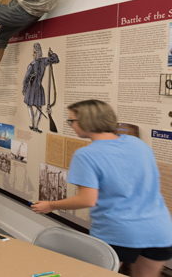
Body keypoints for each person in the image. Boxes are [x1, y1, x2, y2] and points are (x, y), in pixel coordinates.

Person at [32, 100, 172, 277]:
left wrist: (51, 205)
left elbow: (87, 199)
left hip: (119, 231)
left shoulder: (86, 155)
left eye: (72, 121)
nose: (71, 126)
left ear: (86, 121)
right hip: (158, 229)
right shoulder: (137, 144)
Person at [22, 43, 59, 132]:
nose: (33, 54)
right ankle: (34, 126)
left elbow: (26, 78)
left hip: (32, 89)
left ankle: (34, 125)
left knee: (31, 106)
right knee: (35, 107)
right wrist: (52, 54)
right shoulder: (44, 61)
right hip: (37, 88)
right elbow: (55, 59)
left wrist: (24, 88)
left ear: (38, 52)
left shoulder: (33, 64)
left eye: (34, 52)